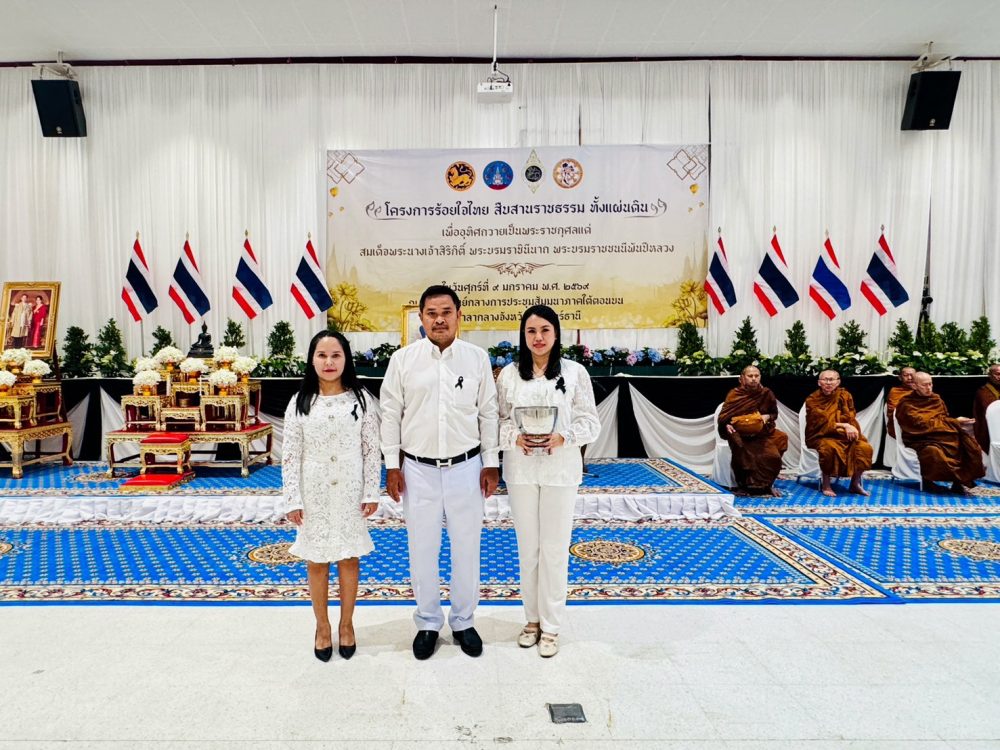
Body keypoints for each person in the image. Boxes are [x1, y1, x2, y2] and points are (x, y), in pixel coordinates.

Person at [380, 285, 499, 660]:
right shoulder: (403, 360)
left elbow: (489, 413)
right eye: (431, 313)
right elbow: (390, 415)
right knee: (422, 549)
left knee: (467, 547)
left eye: (446, 312)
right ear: (421, 318)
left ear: (459, 315)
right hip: (418, 470)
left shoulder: (476, 359)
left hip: (467, 467)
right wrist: (392, 465)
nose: (439, 319)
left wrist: (492, 462)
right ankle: (428, 622)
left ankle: (463, 621)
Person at [496, 305, 600, 658]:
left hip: (560, 470)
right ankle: (531, 621)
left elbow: (591, 422)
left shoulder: (574, 373)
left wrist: (564, 437)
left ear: (556, 334)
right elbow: (497, 422)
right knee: (528, 549)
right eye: (531, 331)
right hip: (521, 470)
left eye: (544, 330)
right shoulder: (509, 375)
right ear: (522, 336)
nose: (538, 338)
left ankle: (551, 626)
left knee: (554, 549)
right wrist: (514, 438)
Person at [283, 331, 380, 662]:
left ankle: (347, 624)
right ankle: (322, 627)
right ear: (312, 360)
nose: (329, 362)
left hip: (350, 488)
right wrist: (293, 499)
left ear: (346, 359)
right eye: (322, 355)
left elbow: (371, 450)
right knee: (317, 559)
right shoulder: (299, 402)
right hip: (314, 489)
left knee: (349, 557)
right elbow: (290, 455)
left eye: (335, 355)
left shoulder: (361, 400)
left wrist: (371, 490)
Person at [895, 371, 985, 494]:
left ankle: (957, 482)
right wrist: (955, 421)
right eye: (924, 385)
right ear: (914, 386)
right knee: (933, 452)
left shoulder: (936, 399)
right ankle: (929, 481)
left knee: (968, 445)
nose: (928, 388)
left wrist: (954, 422)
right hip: (920, 438)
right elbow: (921, 424)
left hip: (942, 435)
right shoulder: (906, 403)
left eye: (930, 384)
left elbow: (943, 417)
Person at [718, 365, 788, 496]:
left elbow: (773, 413)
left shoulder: (766, 393)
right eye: (750, 376)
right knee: (743, 451)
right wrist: (727, 424)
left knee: (779, 442)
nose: (754, 379)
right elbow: (723, 416)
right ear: (742, 378)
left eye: (756, 376)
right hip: (741, 434)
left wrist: (766, 417)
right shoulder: (735, 394)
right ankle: (745, 486)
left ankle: (767, 485)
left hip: (762, 432)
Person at [804, 370, 873, 497]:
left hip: (843, 435)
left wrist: (848, 425)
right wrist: (844, 425)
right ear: (819, 383)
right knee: (828, 448)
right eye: (825, 380)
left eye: (831, 379)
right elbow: (820, 422)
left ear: (838, 382)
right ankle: (826, 484)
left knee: (865, 448)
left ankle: (855, 484)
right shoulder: (813, 399)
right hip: (821, 435)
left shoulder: (845, 395)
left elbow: (851, 415)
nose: (828, 383)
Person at [972, 363, 1000, 454]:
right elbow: (981, 415)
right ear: (990, 375)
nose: (999, 377)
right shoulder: (983, 392)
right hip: (989, 430)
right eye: (997, 374)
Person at [886, 366, 916, 439]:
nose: (909, 378)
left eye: (912, 375)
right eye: (906, 375)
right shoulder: (895, 391)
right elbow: (894, 410)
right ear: (900, 378)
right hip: (903, 423)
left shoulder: (921, 389)